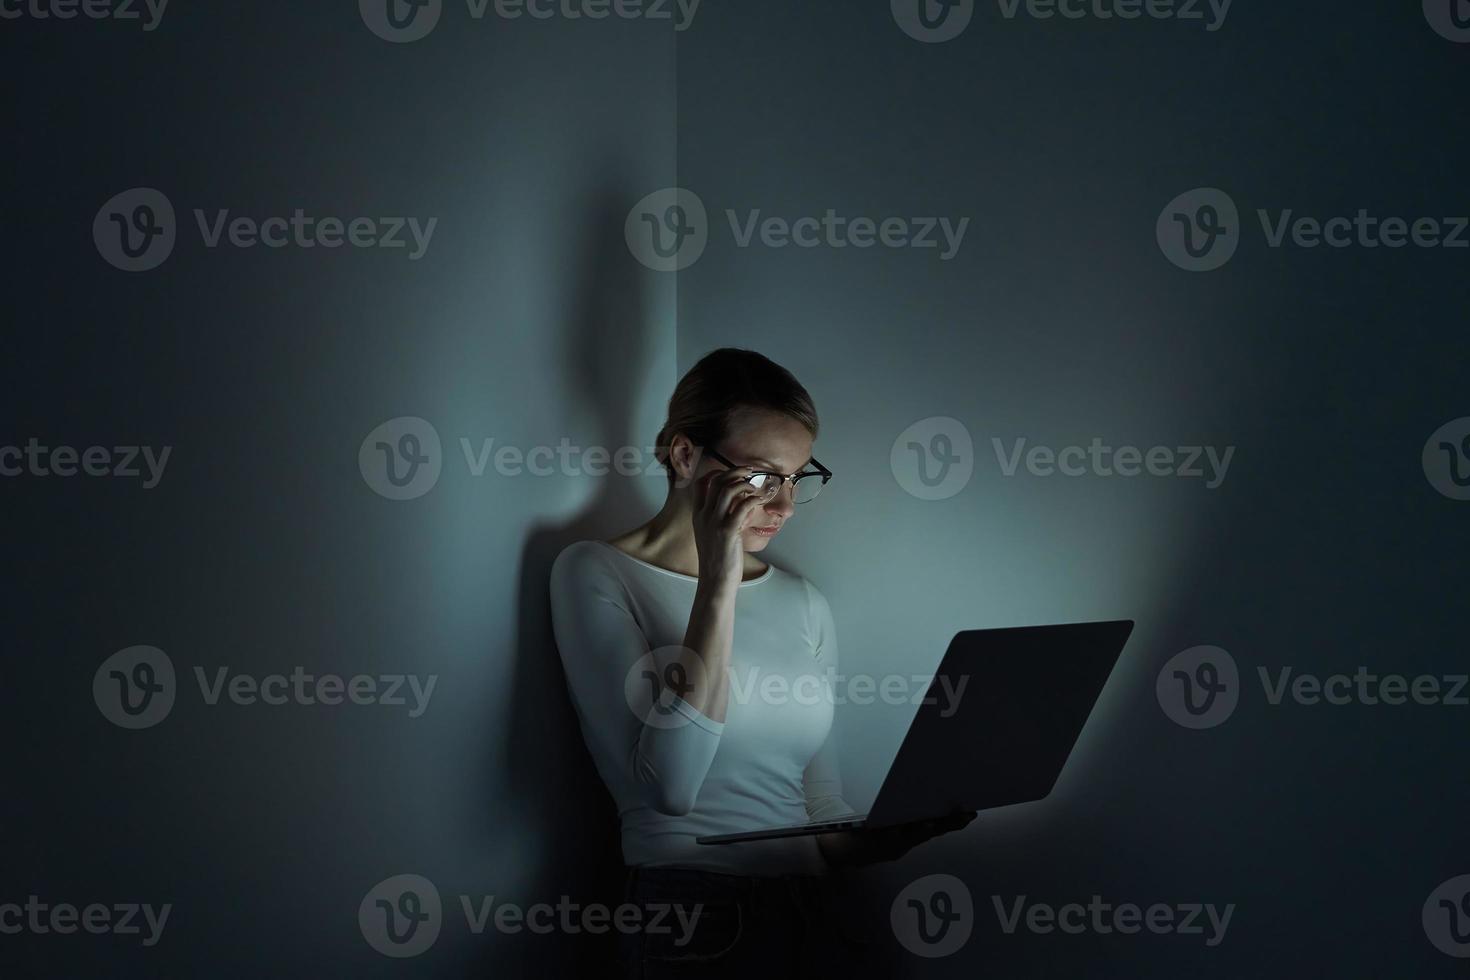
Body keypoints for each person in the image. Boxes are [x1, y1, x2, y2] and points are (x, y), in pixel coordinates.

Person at [550, 348, 973, 976]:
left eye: (798, 477)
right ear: (686, 456)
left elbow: (820, 814)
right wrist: (717, 574)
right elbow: (669, 788)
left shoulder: (802, 601)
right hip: (694, 917)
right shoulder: (595, 571)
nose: (784, 506)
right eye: (758, 477)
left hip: (818, 914)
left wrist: (888, 838)